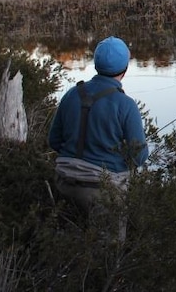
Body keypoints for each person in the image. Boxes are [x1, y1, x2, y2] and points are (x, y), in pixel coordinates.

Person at [48, 36, 148, 236]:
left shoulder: (71, 94)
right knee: (107, 255)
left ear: (96, 64)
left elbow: (54, 141)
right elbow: (139, 157)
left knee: (66, 242)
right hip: (102, 191)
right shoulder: (125, 104)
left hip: (63, 183)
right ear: (125, 69)